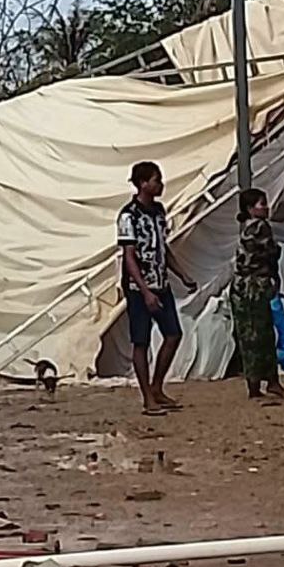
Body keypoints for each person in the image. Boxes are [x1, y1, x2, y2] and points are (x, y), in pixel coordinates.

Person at [117, 161, 199, 416]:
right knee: (141, 341)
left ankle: (157, 387)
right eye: (156, 180)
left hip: (160, 282)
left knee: (173, 334)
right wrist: (145, 291)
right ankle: (147, 397)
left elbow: (163, 248)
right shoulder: (128, 215)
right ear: (143, 183)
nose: (160, 184)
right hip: (138, 287)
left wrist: (182, 274)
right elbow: (129, 256)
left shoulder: (159, 212)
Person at [230, 188, 284, 401]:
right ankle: (267, 382)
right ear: (250, 208)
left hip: (242, 287)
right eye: (262, 204)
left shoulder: (246, 227)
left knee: (250, 336)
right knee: (261, 335)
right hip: (254, 287)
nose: (266, 207)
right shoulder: (261, 227)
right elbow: (270, 254)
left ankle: (258, 382)